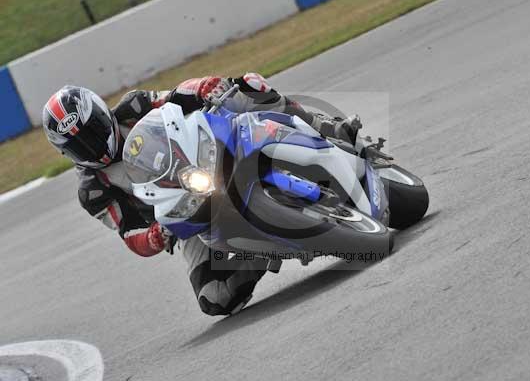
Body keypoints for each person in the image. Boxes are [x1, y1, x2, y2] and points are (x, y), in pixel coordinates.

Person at [41, 73, 361, 316]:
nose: (94, 147)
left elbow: (178, 95)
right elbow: (130, 235)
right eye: (80, 145)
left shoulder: (134, 105)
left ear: (101, 113)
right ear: (65, 153)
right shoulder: (93, 190)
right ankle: (265, 250)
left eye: (94, 132)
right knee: (215, 297)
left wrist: (204, 87)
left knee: (248, 85)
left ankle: (323, 127)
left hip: (209, 150)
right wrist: (155, 236)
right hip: (181, 216)